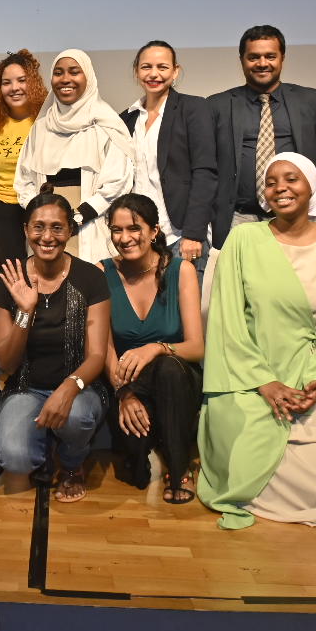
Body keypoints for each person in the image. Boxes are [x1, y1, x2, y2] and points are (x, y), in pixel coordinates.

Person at [198, 153, 316, 530]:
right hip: (249, 378)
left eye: (292, 179)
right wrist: (265, 382)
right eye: (272, 182)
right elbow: (226, 323)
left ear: (313, 188)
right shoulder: (242, 240)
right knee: (244, 455)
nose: (280, 188)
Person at [0, 192, 111, 504]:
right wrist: (25, 312)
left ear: (69, 231)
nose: (47, 237)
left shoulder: (90, 278)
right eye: (38, 227)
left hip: (81, 387)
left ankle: (72, 464)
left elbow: (97, 356)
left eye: (57, 228)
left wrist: (69, 388)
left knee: (77, 417)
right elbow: (4, 362)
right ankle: (44, 445)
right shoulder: (10, 278)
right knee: (15, 460)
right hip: (25, 388)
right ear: (25, 230)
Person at [100, 194, 204, 503]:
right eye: (116, 230)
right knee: (136, 476)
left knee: (168, 368)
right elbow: (104, 349)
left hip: (178, 377)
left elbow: (197, 347)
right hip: (128, 382)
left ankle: (179, 466)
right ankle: (152, 438)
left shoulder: (180, 271)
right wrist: (124, 395)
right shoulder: (101, 273)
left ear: (154, 231)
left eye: (134, 228)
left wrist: (156, 348)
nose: (125, 238)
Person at [205, 25, 316, 254]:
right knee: (242, 285)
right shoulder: (218, 105)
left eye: (270, 56)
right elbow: (208, 165)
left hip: (293, 217)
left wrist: (293, 197)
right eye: (253, 57)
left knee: (293, 283)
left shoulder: (309, 100)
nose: (262, 63)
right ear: (242, 60)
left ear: (282, 57)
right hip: (238, 217)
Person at [14, 49, 134, 262]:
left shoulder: (107, 123)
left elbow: (118, 182)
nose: (65, 79)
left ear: (88, 76)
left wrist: (78, 217)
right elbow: (23, 179)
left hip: (90, 227)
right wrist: (43, 216)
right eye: (58, 72)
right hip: (46, 232)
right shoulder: (41, 128)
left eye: (74, 71)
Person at [120, 41, 215, 269]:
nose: (154, 74)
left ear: (175, 72)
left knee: (185, 305)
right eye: (146, 67)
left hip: (181, 235)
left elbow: (205, 173)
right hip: (139, 237)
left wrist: (194, 233)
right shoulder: (127, 118)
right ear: (136, 71)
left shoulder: (193, 108)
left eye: (162, 67)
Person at [0, 49, 45, 264]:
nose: (14, 88)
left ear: (33, 83)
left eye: (21, 80)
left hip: (35, 209)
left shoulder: (47, 122)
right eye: (6, 82)